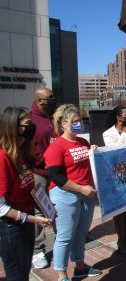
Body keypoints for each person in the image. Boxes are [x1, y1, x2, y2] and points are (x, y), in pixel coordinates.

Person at [44, 105, 101, 281]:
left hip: (86, 195)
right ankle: (61, 274)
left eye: (80, 121)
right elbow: (55, 175)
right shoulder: (57, 146)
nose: (79, 124)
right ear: (64, 124)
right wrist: (80, 188)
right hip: (65, 196)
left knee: (81, 233)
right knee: (65, 236)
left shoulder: (82, 142)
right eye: (75, 122)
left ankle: (80, 267)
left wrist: (94, 151)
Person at [0, 107, 52, 281]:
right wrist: (33, 219)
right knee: (17, 276)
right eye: (28, 124)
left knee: (24, 271)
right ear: (13, 127)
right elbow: (0, 207)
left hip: (26, 219)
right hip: (10, 226)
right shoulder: (2, 158)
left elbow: (29, 189)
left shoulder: (22, 152)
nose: (33, 127)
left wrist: (46, 208)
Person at [102, 106, 126, 255]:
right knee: (120, 210)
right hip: (116, 176)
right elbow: (115, 152)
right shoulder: (108, 134)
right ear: (118, 117)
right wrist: (124, 134)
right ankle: (121, 240)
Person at [31, 87, 58, 269]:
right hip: (39, 172)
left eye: (52, 98)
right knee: (40, 211)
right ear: (38, 100)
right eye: (47, 99)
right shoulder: (29, 119)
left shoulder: (55, 116)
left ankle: (62, 240)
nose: (51, 101)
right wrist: (43, 161)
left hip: (56, 173)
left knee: (58, 207)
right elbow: (26, 148)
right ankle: (37, 249)